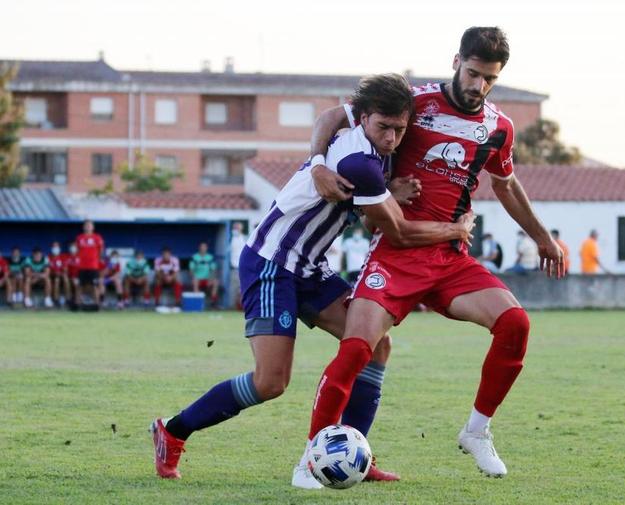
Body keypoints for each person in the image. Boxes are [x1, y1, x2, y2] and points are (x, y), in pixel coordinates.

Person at [149, 73, 475, 487]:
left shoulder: (378, 140)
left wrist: (332, 167)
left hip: (308, 266)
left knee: (375, 346)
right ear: (363, 119)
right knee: (271, 382)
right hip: (271, 262)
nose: (392, 138)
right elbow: (397, 232)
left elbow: (328, 117)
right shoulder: (358, 157)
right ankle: (173, 431)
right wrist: (456, 230)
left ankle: (356, 453)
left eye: (399, 129)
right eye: (383, 128)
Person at [308, 27, 564, 478]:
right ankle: (312, 458)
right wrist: (318, 164)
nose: (478, 86)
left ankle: (477, 431)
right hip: (395, 252)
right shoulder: (413, 102)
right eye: (472, 73)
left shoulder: (498, 128)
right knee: (355, 351)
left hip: (449, 258)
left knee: (515, 323)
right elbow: (332, 117)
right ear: (455, 61)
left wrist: (542, 236)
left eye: (489, 79)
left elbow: (506, 184)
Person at [75, 220, 105, 306]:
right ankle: (77, 304)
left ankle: (97, 304)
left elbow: (101, 251)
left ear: (93, 227)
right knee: (80, 285)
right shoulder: (79, 238)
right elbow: (77, 251)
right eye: (86, 225)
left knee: (95, 285)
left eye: (89, 225)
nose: (88, 227)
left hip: (93, 266)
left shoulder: (97, 237)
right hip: (82, 266)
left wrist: (99, 261)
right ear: (83, 227)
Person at [189, 242, 218, 307]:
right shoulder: (194, 257)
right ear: (199, 248)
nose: (203, 248)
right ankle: (197, 302)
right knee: (195, 280)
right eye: (201, 247)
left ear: (207, 248)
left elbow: (213, 270)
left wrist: (211, 279)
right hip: (198, 279)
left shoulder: (210, 257)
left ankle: (213, 302)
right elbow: (191, 270)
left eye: (204, 247)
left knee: (216, 281)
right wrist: (193, 277)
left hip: (207, 279)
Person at [229, 222, 247, 309]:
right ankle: (232, 306)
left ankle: (242, 307)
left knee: (241, 289)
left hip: (242, 268)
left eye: (237, 228)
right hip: (233, 268)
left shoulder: (244, 238)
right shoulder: (230, 238)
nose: (236, 230)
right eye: (234, 228)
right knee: (233, 289)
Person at [48, 241, 70, 306]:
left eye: (57, 246)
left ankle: (68, 299)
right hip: (52, 276)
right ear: (51, 248)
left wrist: (60, 273)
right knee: (56, 280)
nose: (55, 248)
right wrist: (55, 273)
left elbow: (65, 269)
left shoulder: (63, 256)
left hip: (61, 275)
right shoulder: (49, 257)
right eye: (54, 247)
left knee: (65, 278)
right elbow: (48, 270)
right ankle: (56, 299)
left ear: (59, 248)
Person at [65, 242, 82, 307]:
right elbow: (65, 269)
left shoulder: (81, 256)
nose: (73, 248)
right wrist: (70, 276)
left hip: (79, 276)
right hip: (70, 276)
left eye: (74, 246)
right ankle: (69, 299)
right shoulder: (66, 256)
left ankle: (78, 301)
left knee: (77, 282)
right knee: (67, 280)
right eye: (72, 246)